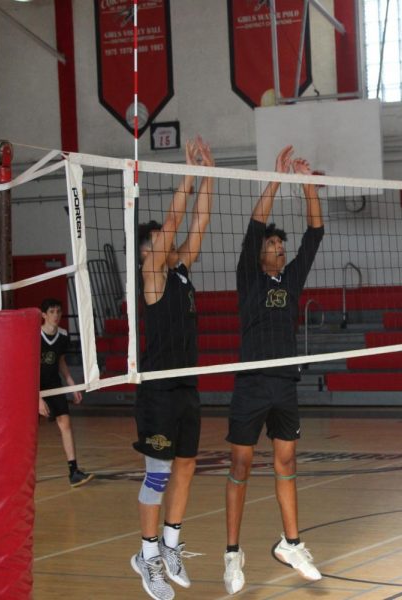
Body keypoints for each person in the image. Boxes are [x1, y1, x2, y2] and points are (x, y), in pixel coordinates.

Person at [224, 145, 324, 593]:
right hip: (251, 382)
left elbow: (316, 233)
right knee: (241, 463)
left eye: (282, 246)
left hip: (284, 384)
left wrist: (307, 185)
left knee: (286, 459)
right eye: (274, 244)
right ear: (260, 253)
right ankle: (232, 554)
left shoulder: (292, 279)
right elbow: (255, 224)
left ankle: (291, 543)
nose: (280, 248)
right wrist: (278, 177)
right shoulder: (249, 277)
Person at [130, 136, 215, 600]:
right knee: (158, 474)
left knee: (186, 466)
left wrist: (209, 173)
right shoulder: (151, 275)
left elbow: (198, 220)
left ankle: (170, 545)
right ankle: (145, 556)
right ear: (148, 251)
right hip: (158, 392)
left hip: (186, 386)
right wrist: (186, 175)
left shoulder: (181, 270)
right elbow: (176, 219)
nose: (169, 243)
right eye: (159, 242)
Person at [38, 297, 93, 488]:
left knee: (66, 424)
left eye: (58, 312)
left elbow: (60, 362)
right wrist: (38, 398)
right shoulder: (33, 334)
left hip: (54, 384)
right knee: (27, 431)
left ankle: (73, 472)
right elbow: (27, 367)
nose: (56, 315)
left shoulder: (62, 335)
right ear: (44, 315)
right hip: (33, 386)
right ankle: (18, 473)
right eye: (51, 312)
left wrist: (72, 386)